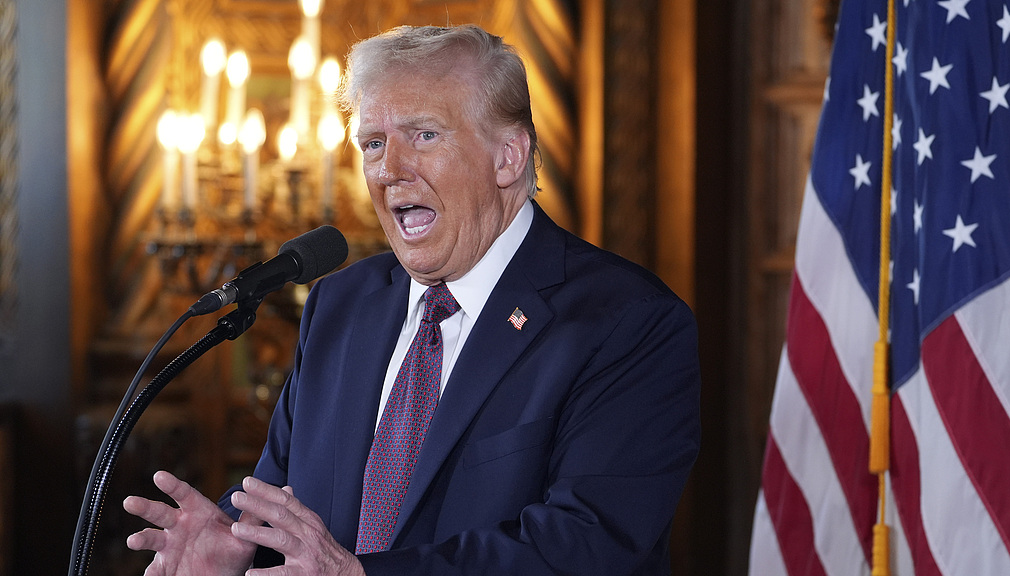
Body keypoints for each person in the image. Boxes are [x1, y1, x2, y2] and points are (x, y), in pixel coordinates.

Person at [123, 23, 700, 575]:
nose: (389, 170)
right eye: (373, 143)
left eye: (424, 135)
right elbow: (282, 505)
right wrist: (237, 543)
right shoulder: (341, 305)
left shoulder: (629, 323)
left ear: (509, 156)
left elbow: (585, 550)